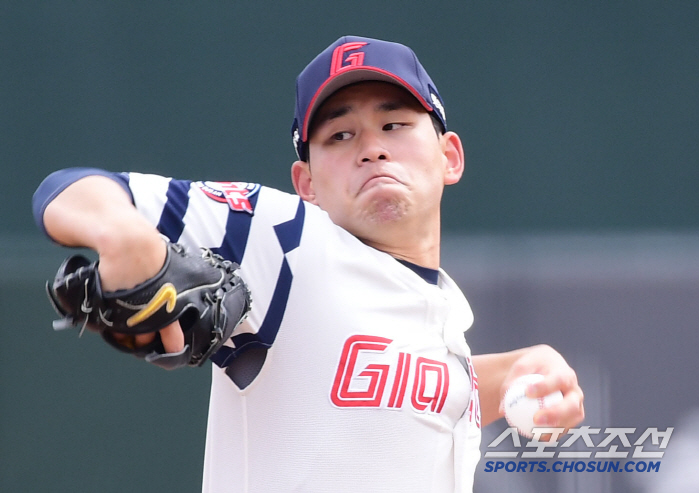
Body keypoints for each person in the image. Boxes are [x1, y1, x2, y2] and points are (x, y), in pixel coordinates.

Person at [32, 36, 584, 492]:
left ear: (449, 157)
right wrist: (124, 235)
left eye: (394, 124)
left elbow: (411, 391)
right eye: (340, 135)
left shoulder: (442, 315)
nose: (372, 147)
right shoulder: (285, 241)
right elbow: (66, 190)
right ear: (307, 184)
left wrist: (517, 368)